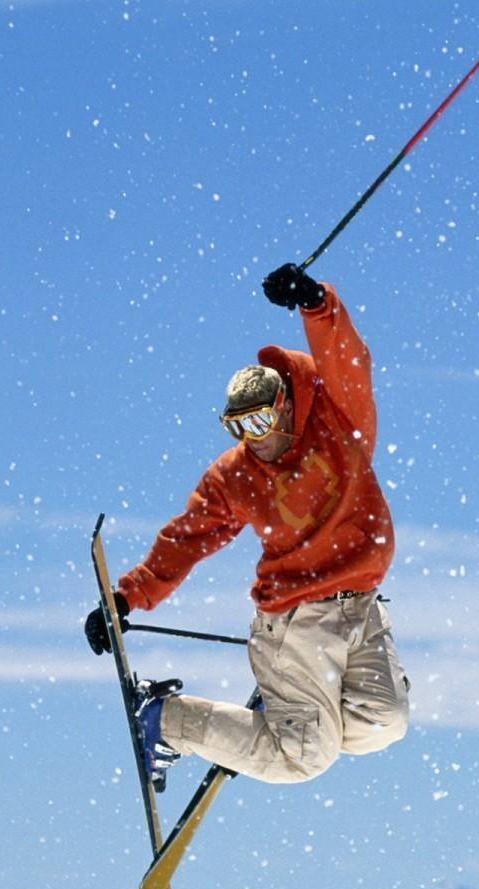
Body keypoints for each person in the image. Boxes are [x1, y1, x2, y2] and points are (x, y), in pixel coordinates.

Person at [85, 262, 410, 787]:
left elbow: (349, 359)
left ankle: (290, 712)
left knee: (384, 721)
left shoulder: (338, 421)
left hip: (360, 605)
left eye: (259, 422)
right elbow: (188, 538)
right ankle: (166, 720)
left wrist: (313, 301)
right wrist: (126, 598)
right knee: (303, 758)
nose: (253, 438)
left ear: (286, 407)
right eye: (237, 427)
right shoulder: (237, 474)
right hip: (295, 619)